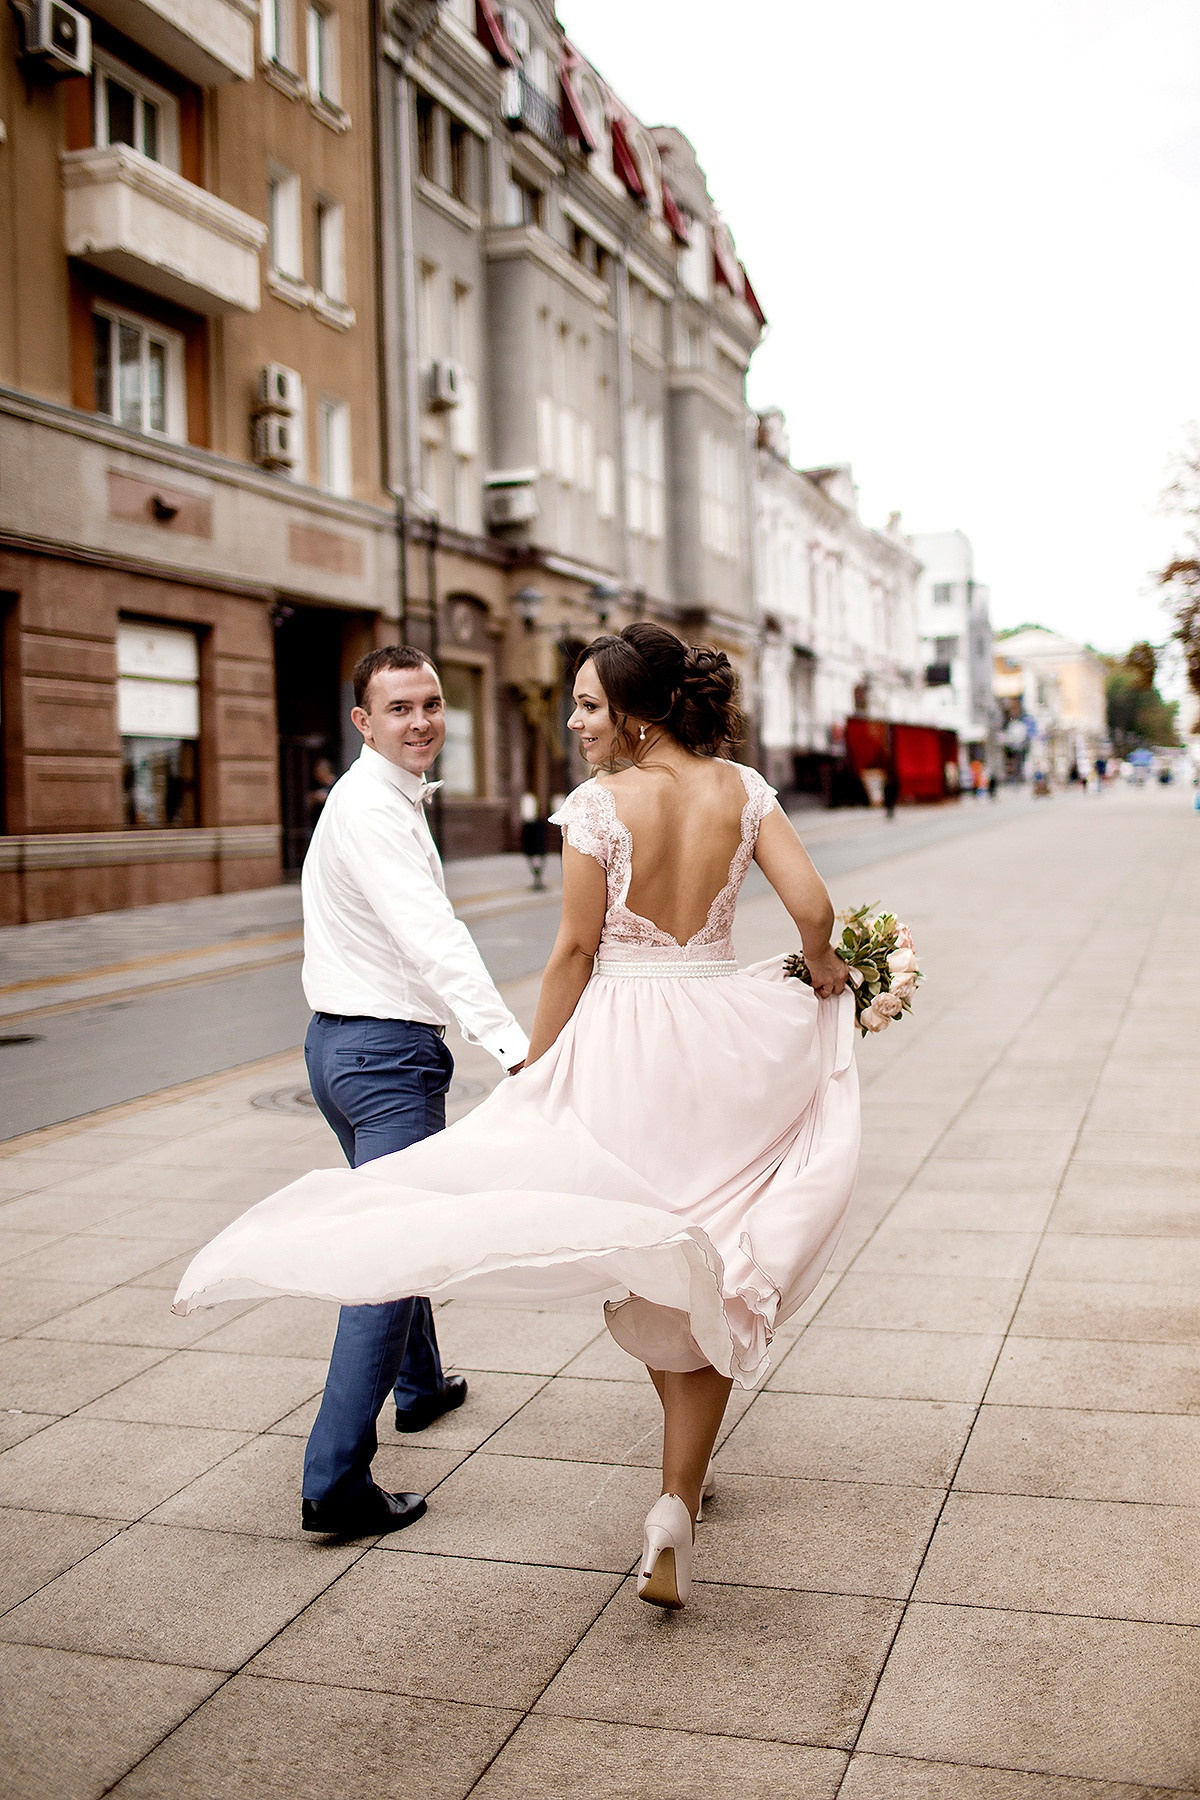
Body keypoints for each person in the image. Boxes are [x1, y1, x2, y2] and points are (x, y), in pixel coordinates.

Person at [175, 624, 859, 1610]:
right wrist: (826, 968)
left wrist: (536, 1067)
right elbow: (812, 903)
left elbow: (575, 953)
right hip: (724, 1035)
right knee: (715, 1241)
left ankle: (669, 1485)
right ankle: (678, 1492)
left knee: (651, 1241)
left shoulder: (597, 808)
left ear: (634, 710)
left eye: (588, 705)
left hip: (628, 1043)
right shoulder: (743, 790)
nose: (576, 722)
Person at [294, 645, 528, 1537]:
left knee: (404, 1222)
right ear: (363, 722)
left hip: (340, 1051)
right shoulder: (377, 811)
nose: (423, 720)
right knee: (389, 1259)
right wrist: (509, 1042)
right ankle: (334, 1481)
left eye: (432, 703)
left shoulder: (375, 797)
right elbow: (434, 936)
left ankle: (421, 1386)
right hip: (384, 1061)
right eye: (399, 709)